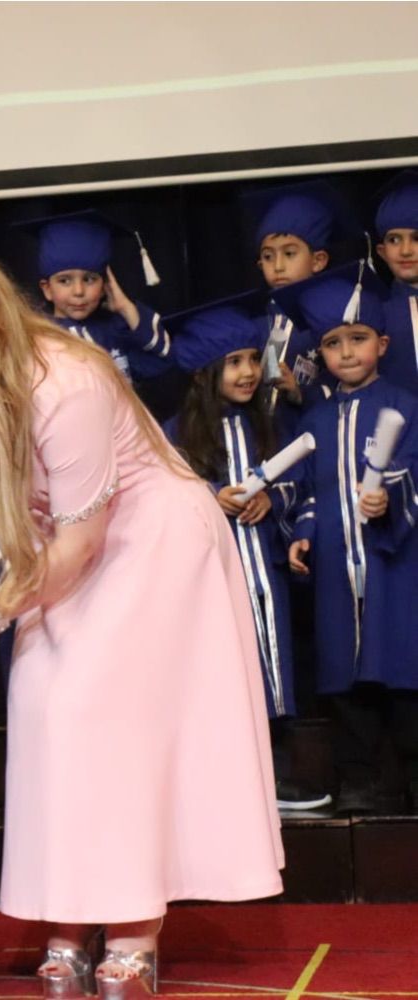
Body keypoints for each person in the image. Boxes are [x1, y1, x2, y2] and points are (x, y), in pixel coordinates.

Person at [0, 246, 283, 998]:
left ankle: (134, 931)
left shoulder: (64, 383)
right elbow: (13, 482)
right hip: (73, 543)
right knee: (50, 715)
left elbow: (80, 540)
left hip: (150, 542)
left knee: (113, 726)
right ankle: (69, 921)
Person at [163, 292, 331, 812]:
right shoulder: (177, 436)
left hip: (266, 572)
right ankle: (226, 788)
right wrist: (209, 498)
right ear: (203, 373)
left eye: (254, 359)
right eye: (234, 362)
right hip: (212, 577)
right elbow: (158, 498)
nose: (249, 372)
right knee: (221, 669)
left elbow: (303, 484)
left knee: (272, 666)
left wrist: (270, 499)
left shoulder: (272, 425)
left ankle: (273, 779)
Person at [276, 263, 418, 815]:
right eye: (333, 343)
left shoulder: (406, 405)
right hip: (338, 561)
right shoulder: (316, 417)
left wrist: (391, 499)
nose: (347, 352)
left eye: (358, 338)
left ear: (382, 343)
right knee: (344, 671)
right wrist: (303, 534)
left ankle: (410, 777)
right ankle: (362, 779)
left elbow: (413, 468)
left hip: (394, 562)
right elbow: (312, 489)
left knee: (402, 665)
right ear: (321, 354)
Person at [15, 211, 172, 385]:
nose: (78, 291)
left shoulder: (115, 331)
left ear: (105, 285)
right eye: (64, 281)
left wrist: (125, 307)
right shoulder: (37, 340)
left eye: (89, 279)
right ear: (47, 289)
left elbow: (160, 359)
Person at [242, 181, 356, 419]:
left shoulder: (329, 323)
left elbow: (348, 382)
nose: (278, 266)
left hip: (312, 427)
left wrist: (299, 392)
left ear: (318, 261)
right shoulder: (253, 325)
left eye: (289, 253)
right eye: (268, 256)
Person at [374, 170, 418, 396]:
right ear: (382, 252)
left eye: (417, 238)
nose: (405, 250)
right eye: (394, 239)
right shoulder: (373, 316)